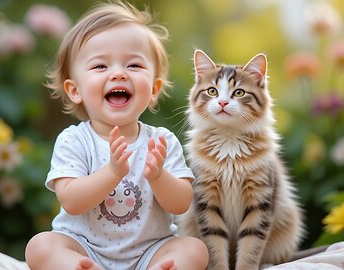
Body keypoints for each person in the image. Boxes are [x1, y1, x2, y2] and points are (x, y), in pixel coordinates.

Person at [25, 1, 209, 270]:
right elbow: (71, 201)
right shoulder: (74, 140)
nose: (119, 73)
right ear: (75, 90)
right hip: (84, 249)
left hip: (150, 251)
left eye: (134, 65)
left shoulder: (161, 141)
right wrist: (112, 171)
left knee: (194, 249)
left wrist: (158, 176)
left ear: (154, 88)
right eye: (100, 66)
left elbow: (181, 203)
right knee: (40, 247)